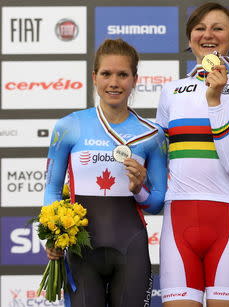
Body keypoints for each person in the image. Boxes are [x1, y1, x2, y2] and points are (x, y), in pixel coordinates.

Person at [43, 38, 167, 306]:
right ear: (94, 78)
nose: (114, 82)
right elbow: (52, 188)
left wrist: (139, 190)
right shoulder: (69, 126)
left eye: (123, 74)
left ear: (135, 79)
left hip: (131, 249)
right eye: (106, 74)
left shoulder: (152, 135)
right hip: (80, 252)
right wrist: (53, 234)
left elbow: (157, 203)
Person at [156, 2, 229, 306]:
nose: (208, 35)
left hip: (228, 217)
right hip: (178, 217)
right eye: (200, 28)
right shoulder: (171, 91)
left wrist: (214, 101)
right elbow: (158, 156)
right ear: (190, 38)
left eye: (218, 28)